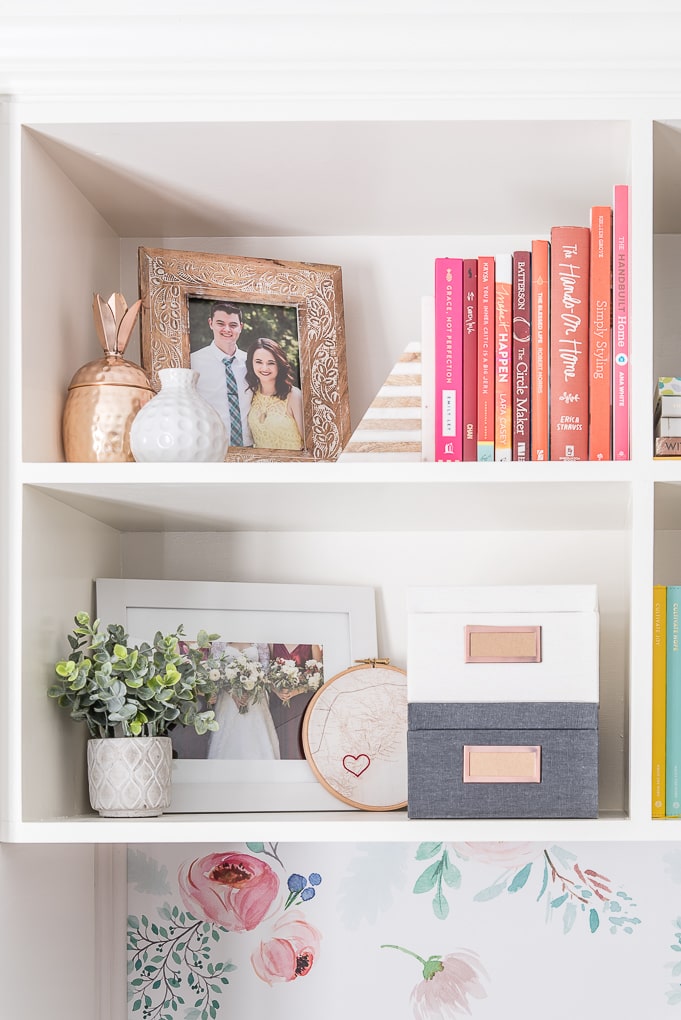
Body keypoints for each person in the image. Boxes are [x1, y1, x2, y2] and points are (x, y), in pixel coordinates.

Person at [190, 302, 253, 447]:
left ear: (240, 327)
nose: (227, 329)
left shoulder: (252, 362)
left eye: (233, 325)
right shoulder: (193, 361)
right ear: (210, 323)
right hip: (208, 445)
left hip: (248, 448)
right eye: (220, 323)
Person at [206, 642, 280, 760]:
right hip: (228, 699)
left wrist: (250, 689)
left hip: (254, 699)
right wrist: (233, 693)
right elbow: (215, 671)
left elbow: (265, 671)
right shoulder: (219, 643)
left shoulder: (260, 642)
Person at [245, 337, 304, 450]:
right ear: (251, 363)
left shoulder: (294, 396)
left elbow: (309, 444)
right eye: (258, 362)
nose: (264, 368)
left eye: (271, 363)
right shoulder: (251, 393)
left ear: (279, 365)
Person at [268, 643, 322, 759]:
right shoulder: (273, 644)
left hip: (302, 702)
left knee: (298, 738)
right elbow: (268, 675)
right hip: (279, 702)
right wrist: (277, 691)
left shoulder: (312, 645)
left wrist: (296, 691)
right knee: (280, 738)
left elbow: (319, 678)